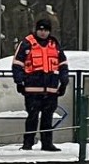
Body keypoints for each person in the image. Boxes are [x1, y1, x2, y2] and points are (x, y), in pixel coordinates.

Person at [11, 19, 69, 151]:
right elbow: (17, 64)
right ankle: (28, 143)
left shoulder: (54, 44)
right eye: (41, 30)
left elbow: (63, 65)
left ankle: (47, 143)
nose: (43, 33)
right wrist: (19, 82)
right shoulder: (27, 43)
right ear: (36, 30)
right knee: (32, 117)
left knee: (47, 118)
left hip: (51, 89)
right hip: (32, 89)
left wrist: (64, 83)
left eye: (46, 30)